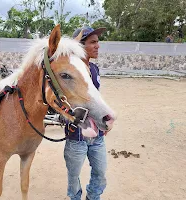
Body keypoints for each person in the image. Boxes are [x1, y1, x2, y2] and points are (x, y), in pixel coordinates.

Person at [64, 26, 109, 200]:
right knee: (73, 178)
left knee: (101, 173)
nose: (98, 46)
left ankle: (93, 197)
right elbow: (61, 102)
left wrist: (104, 118)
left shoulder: (95, 69)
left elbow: (97, 99)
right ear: (80, 46)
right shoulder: (68, 73)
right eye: (93, 42)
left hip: (97, 136)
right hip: (76, 137)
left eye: (98, 42)